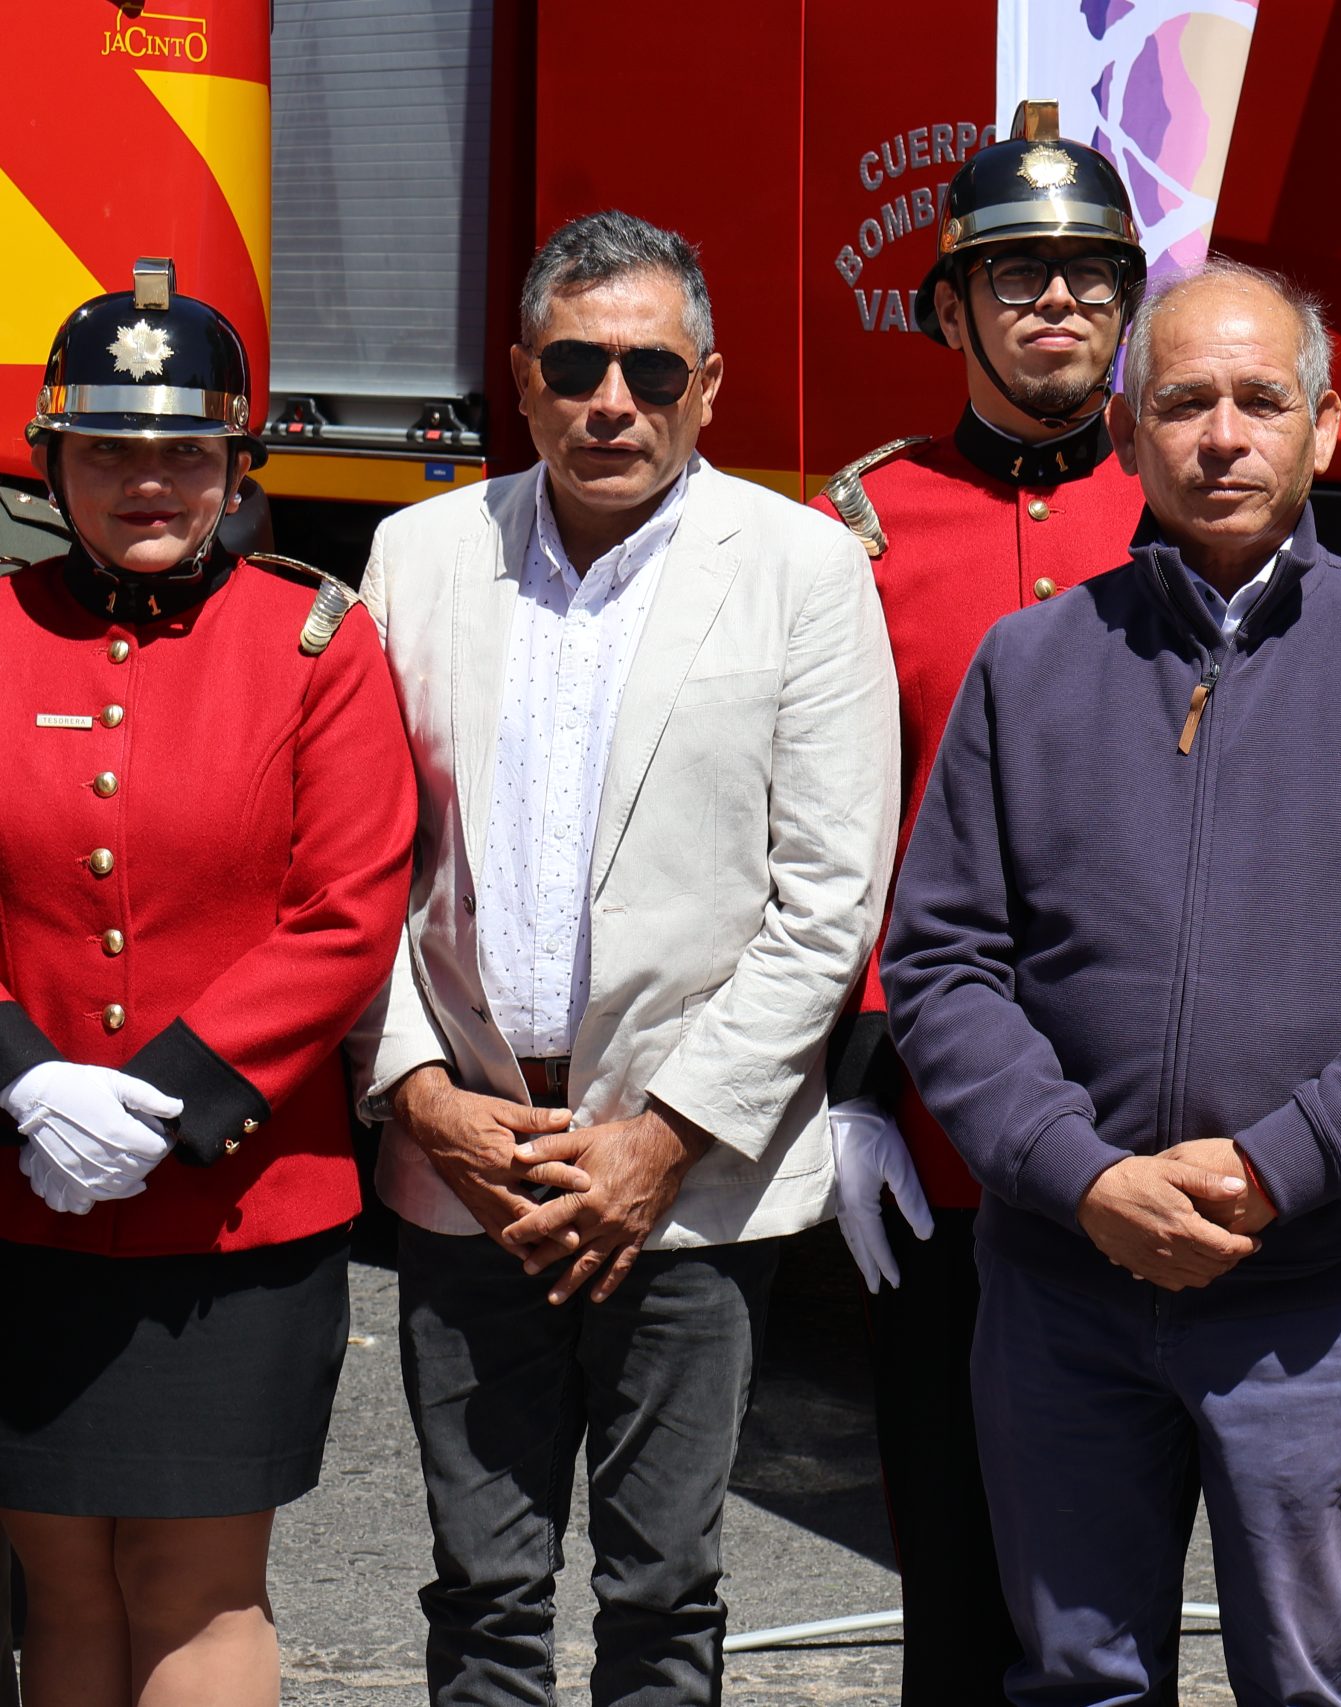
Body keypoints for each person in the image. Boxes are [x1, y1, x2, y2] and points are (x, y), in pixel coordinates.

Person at [882, 257, 1341, 1706]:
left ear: (1324, 426)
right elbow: (942, 964)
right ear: (1127, 433)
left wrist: (1274, 1168)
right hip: (1063, 1290)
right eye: (1184, 403)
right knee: (1077, 1679)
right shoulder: (1028, 664)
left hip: (1311, 1295)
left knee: (1305, 1682)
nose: (1224, 437)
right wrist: (1085, 1179)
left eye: (1261, 401)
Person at [347, 210, 898, 1703]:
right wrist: (421, 1095)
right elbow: (354, 870)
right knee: (483, 1595)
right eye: (576, 366)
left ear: (707, 385)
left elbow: (829, 899)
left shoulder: (803, 568)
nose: (613, 402)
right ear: (521, 378)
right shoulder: (416, 556)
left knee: (665, 1595)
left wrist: (658, 1140)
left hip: (689, 1184)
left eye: (651, 371)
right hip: (466, 1166)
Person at [0, 259, 414, 1705]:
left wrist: (165, 1099)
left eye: (185, 452)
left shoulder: (314, 647)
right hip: (22, 1197)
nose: (148, 482)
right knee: (60, 1581)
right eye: (108, 450)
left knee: (194, 1587)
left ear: (239, 467)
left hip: (239, 1209)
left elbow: (348, 912)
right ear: (51, 463)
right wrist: (25, 1082)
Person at [809, 98, 1148, 1704]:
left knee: (1117, 1580)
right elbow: (830, 833)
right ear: (949, 310)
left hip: (1150, 1114)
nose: (1057, 302)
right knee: (952, 1552)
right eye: (1016, 276)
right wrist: (849, 1083)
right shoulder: (861, 534)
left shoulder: (1188, 508)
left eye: (1091, 274)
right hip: (939, 1131)